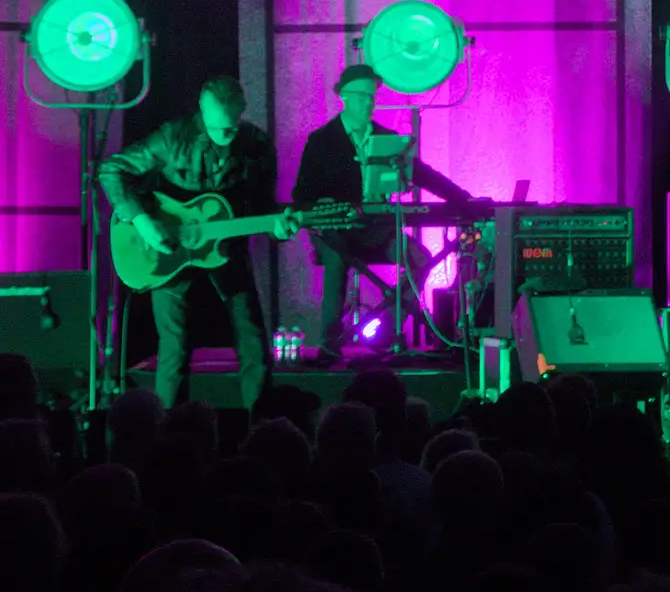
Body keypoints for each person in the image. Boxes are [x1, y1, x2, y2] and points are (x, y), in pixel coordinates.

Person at [100, 75, 294, 410]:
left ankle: (262, 431)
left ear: (242, 111)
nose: (223, 138)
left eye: (231, 130)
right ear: (202, 111)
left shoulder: (257, 145)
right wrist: (143, 221)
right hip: (170, 252)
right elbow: (111, 170)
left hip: (227, 250)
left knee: (254, 345)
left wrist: (277, 225)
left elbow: (263, 207)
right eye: (216, 128)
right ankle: (166, 438)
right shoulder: (173, 137)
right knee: (174, 348)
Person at [291, 64, 476, 364]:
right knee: (337, 258)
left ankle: (385, 327)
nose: (369, 101)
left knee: (421, 257)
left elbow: (421, 174)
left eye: (372, 95)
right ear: (344, 97)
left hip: (376, 230)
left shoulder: (387, 139)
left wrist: (462, 198)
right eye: (363, 95)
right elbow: (302, 196)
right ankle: (329, 344)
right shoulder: (321, 141)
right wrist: (326, 208)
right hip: (336, 231)